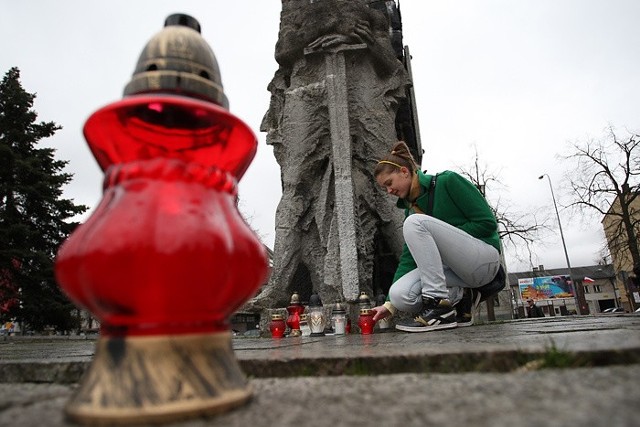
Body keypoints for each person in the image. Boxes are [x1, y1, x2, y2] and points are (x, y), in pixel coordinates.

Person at [370, 141, 504, 332]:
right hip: (455, 273)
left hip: (483, 262)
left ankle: (439, 307)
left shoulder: (448, 182)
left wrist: (441, 236)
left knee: (415, 222)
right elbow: (409, 259)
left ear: (404, 171)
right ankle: (460, 298)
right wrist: (389, 305)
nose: (389, 191)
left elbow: (487, 224)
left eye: (389, 183)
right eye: (385, 188)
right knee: (400, 295)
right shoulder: (412, 212)